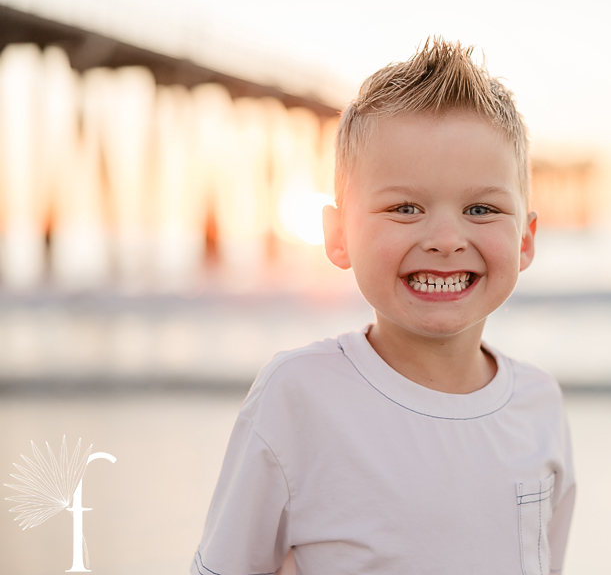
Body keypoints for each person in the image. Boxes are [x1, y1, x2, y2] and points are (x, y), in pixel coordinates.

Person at [191, 38, 576, 575]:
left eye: (481, 208)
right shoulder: (298, 396)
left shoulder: (539, 406)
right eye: (405, 207)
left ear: (526, 240)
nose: (446, 238)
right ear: (338, 236)